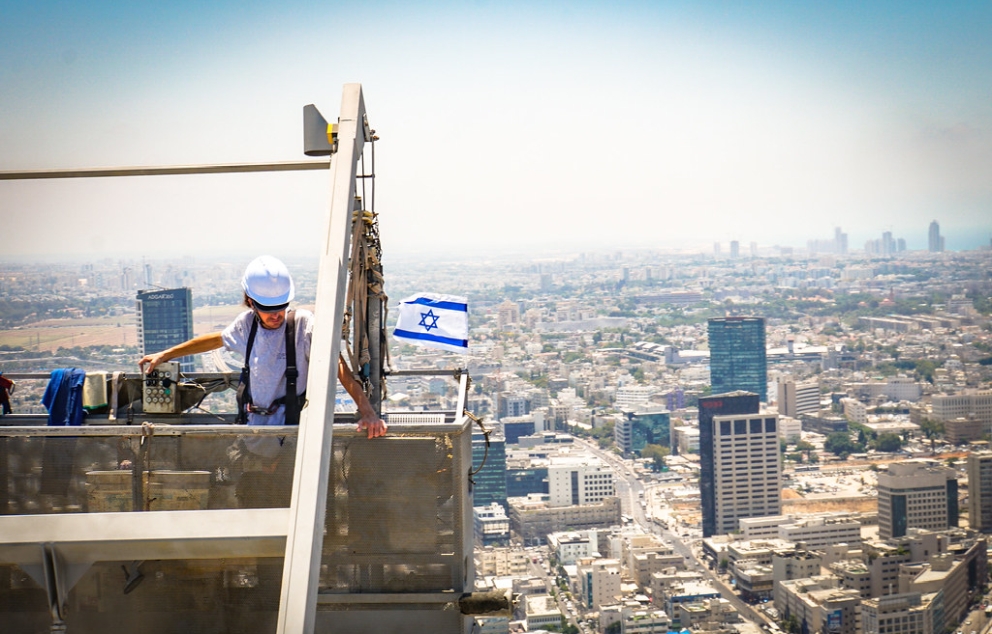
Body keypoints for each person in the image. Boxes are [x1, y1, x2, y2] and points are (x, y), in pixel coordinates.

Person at [138, 255, 386, 439]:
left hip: (291, 435)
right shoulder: (248, 325)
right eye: (268, 309)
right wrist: (166, 354)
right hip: (255, 431)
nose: (276, 315)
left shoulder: (302, 325)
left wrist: (367, 411)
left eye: (281, 307)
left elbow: (337, 365)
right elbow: (216, 339)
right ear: (250, 302)